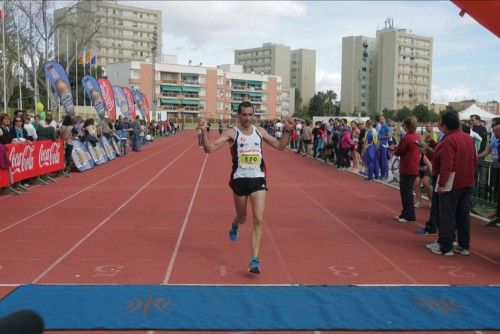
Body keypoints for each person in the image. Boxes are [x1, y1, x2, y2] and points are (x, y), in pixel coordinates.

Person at [197, 101, 294, 274]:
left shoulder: (260, 131)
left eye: (250, 114)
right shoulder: (232, 133)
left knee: (258, 219)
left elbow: (280, 146)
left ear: (254, 115)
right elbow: (209, 149)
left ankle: (254, 260)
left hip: (258, 179)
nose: (248, 118)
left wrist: (288, 131)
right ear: (239, 115)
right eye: (244, 114)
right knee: (242, 217)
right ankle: (235, 224)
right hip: (239, 180)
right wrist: (204, 132)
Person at [427, 112, 476, 256]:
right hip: (467, 180)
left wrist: (442, 184)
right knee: (463, 214)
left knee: (447, 215)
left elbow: (447, 164)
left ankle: (446, 246)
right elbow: (474, 159)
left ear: (445, 124)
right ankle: (464, 245)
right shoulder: (468, 138)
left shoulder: (449, 140)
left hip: (452, 181)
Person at [390, 116, 420, 223]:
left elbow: (399, 151)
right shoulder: (416, 136)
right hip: (414, 166)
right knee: (408, 192)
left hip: (407, 167)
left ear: (406, 126)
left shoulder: (407, 138)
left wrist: (394, 149)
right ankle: (406, 213)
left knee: (406, 192)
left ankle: (408, 215)